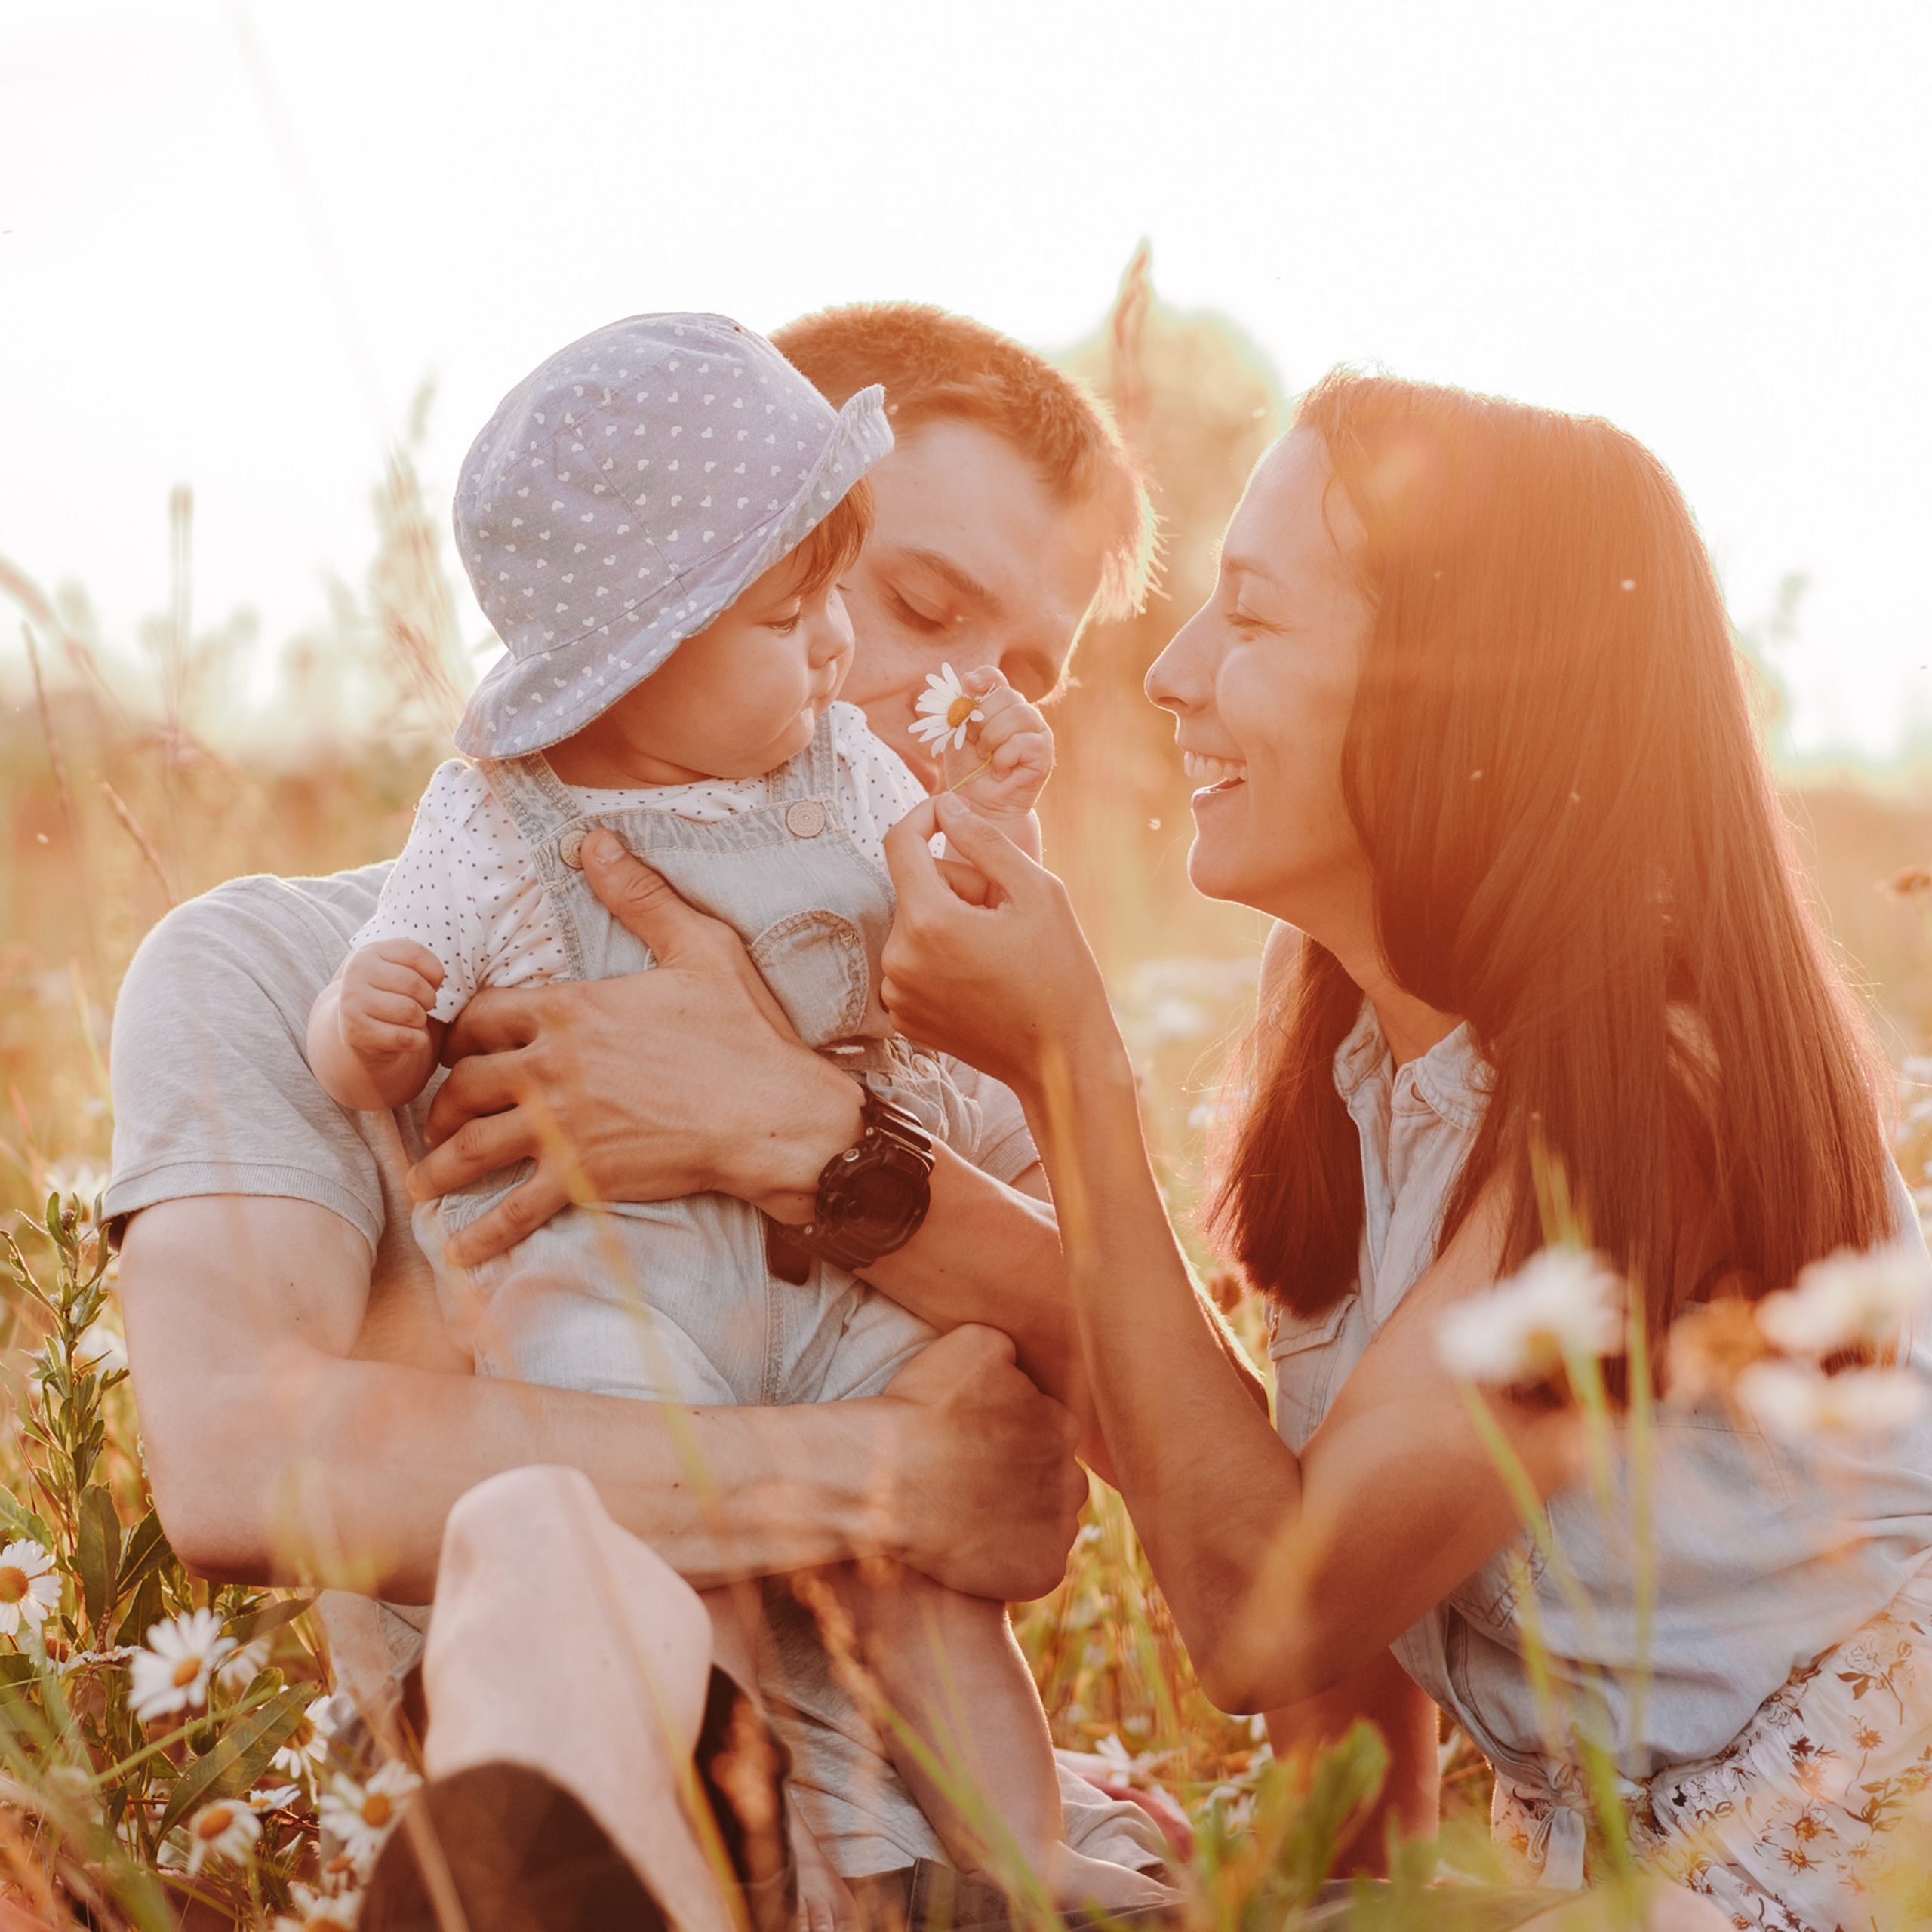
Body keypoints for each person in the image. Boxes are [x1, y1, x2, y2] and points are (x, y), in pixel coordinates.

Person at [107, 303, 1241, 1910]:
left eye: (1025, 673)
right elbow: (239, 1453)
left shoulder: (940, 1027)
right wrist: (877, 1478)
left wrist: (810, 1132)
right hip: (581, 1821)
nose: (955, 700)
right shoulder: (285, 962)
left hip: (941, 1842)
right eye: (915, 603)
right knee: (554, 1564)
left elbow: (1209, 1501)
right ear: (704, 561)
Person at [868, 371, 1932, 1930]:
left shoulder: (1654, 1101)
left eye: (1251, 616)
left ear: (1453, 692)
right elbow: (1344, 1619)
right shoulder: (1372, 1058)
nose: (1168, 672)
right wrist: (1315, 1889)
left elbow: (1264, 1612)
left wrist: (1065, 1066)